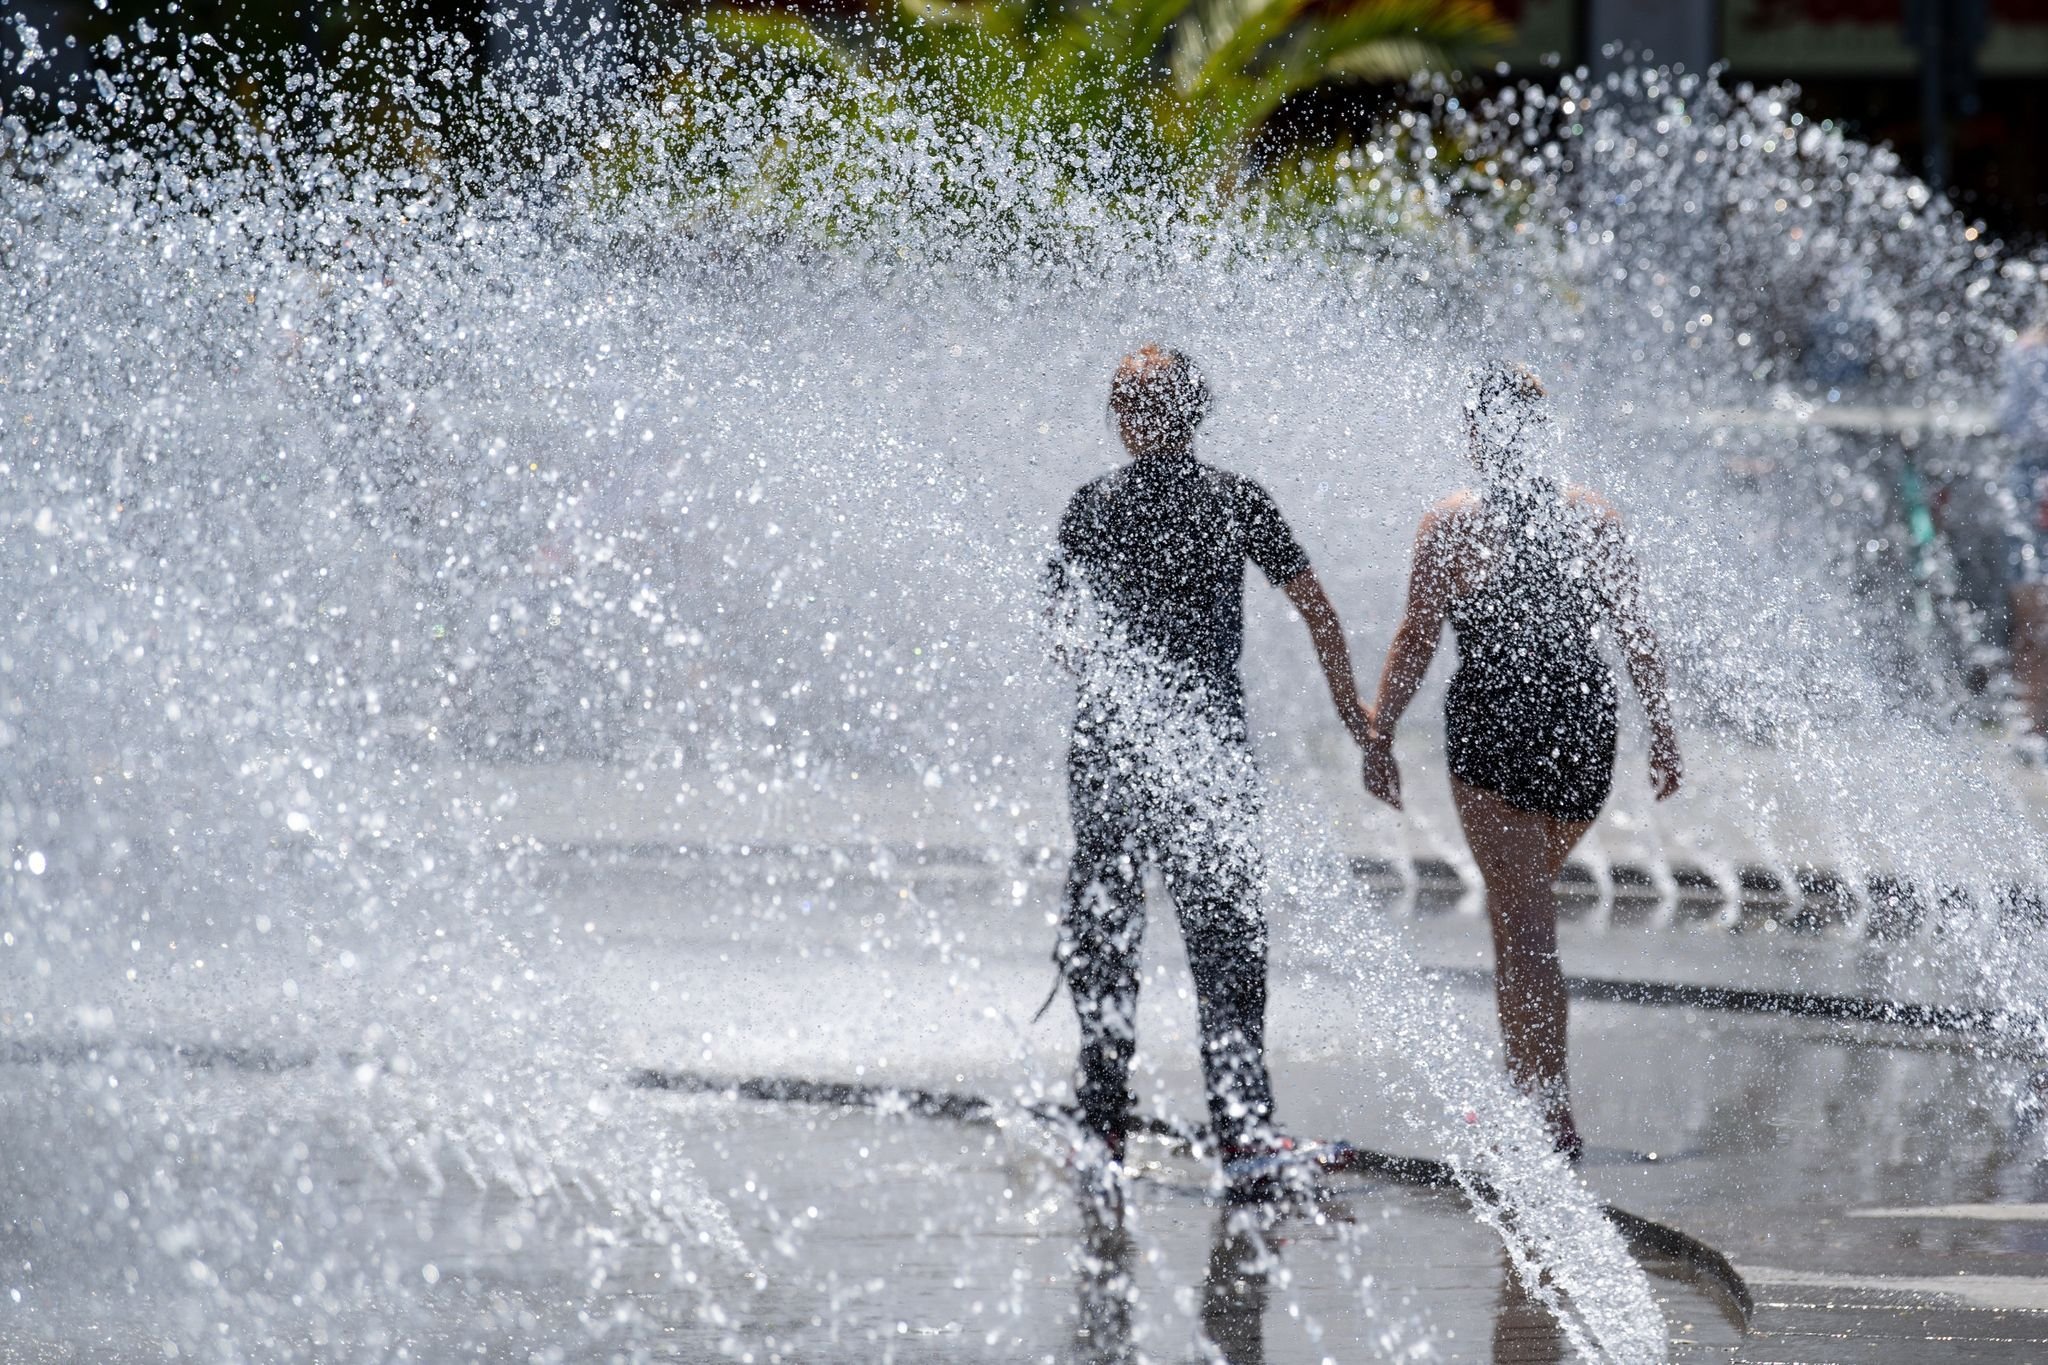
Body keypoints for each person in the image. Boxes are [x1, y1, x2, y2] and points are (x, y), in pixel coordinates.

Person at [1044, 344, 1373, 1179]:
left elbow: (1061, 638)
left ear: (1131, 418)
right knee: (1224, 939)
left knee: (1107, 932)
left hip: (1111, 749)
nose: (1127, 418)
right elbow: (1321, 614)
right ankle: (1244, 1131)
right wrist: (1353, 715)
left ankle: (1101, 1127)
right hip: (1206, 753)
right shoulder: (1235, 499)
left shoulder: (1094, 505)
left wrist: (1111, 674)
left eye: (1129, 403)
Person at [1361, 362, 1681, 1160]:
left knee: (1527, 927)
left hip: (1495, 735)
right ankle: (1523, 1095)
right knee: (1519, 915)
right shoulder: (1594, 517)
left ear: (1475, 436)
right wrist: (1664, 731)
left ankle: (1550, 1113)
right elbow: (1635, 633)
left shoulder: (1452, 523)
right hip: (1582, 733)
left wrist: (1379, 730)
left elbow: (1418, 636)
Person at [2001, 314, 2048, 737]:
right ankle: (2031, 722)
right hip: (2036, 482)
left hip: (2032, 479)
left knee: (2032, 609)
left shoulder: (2026, 352)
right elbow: (2017, 424)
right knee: (2032, 608)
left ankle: (2031, 721)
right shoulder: (2028, 353)